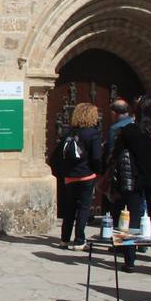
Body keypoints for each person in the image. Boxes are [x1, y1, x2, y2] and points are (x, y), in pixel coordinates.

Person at [115, 96, 151, 273]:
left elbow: (117, 153)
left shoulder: (129, 130)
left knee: (132, 219)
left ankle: (130, 260)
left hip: (134, 179)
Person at [49, 103, 103, 249]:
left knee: (70, 208)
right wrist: (98, 171)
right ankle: (79, 240)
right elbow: (97, 157)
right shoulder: (93, 134)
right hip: (86, 175)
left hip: (70, 176)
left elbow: (57, 155)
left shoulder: (70, 133)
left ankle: (64, 239)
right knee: (84, 208)